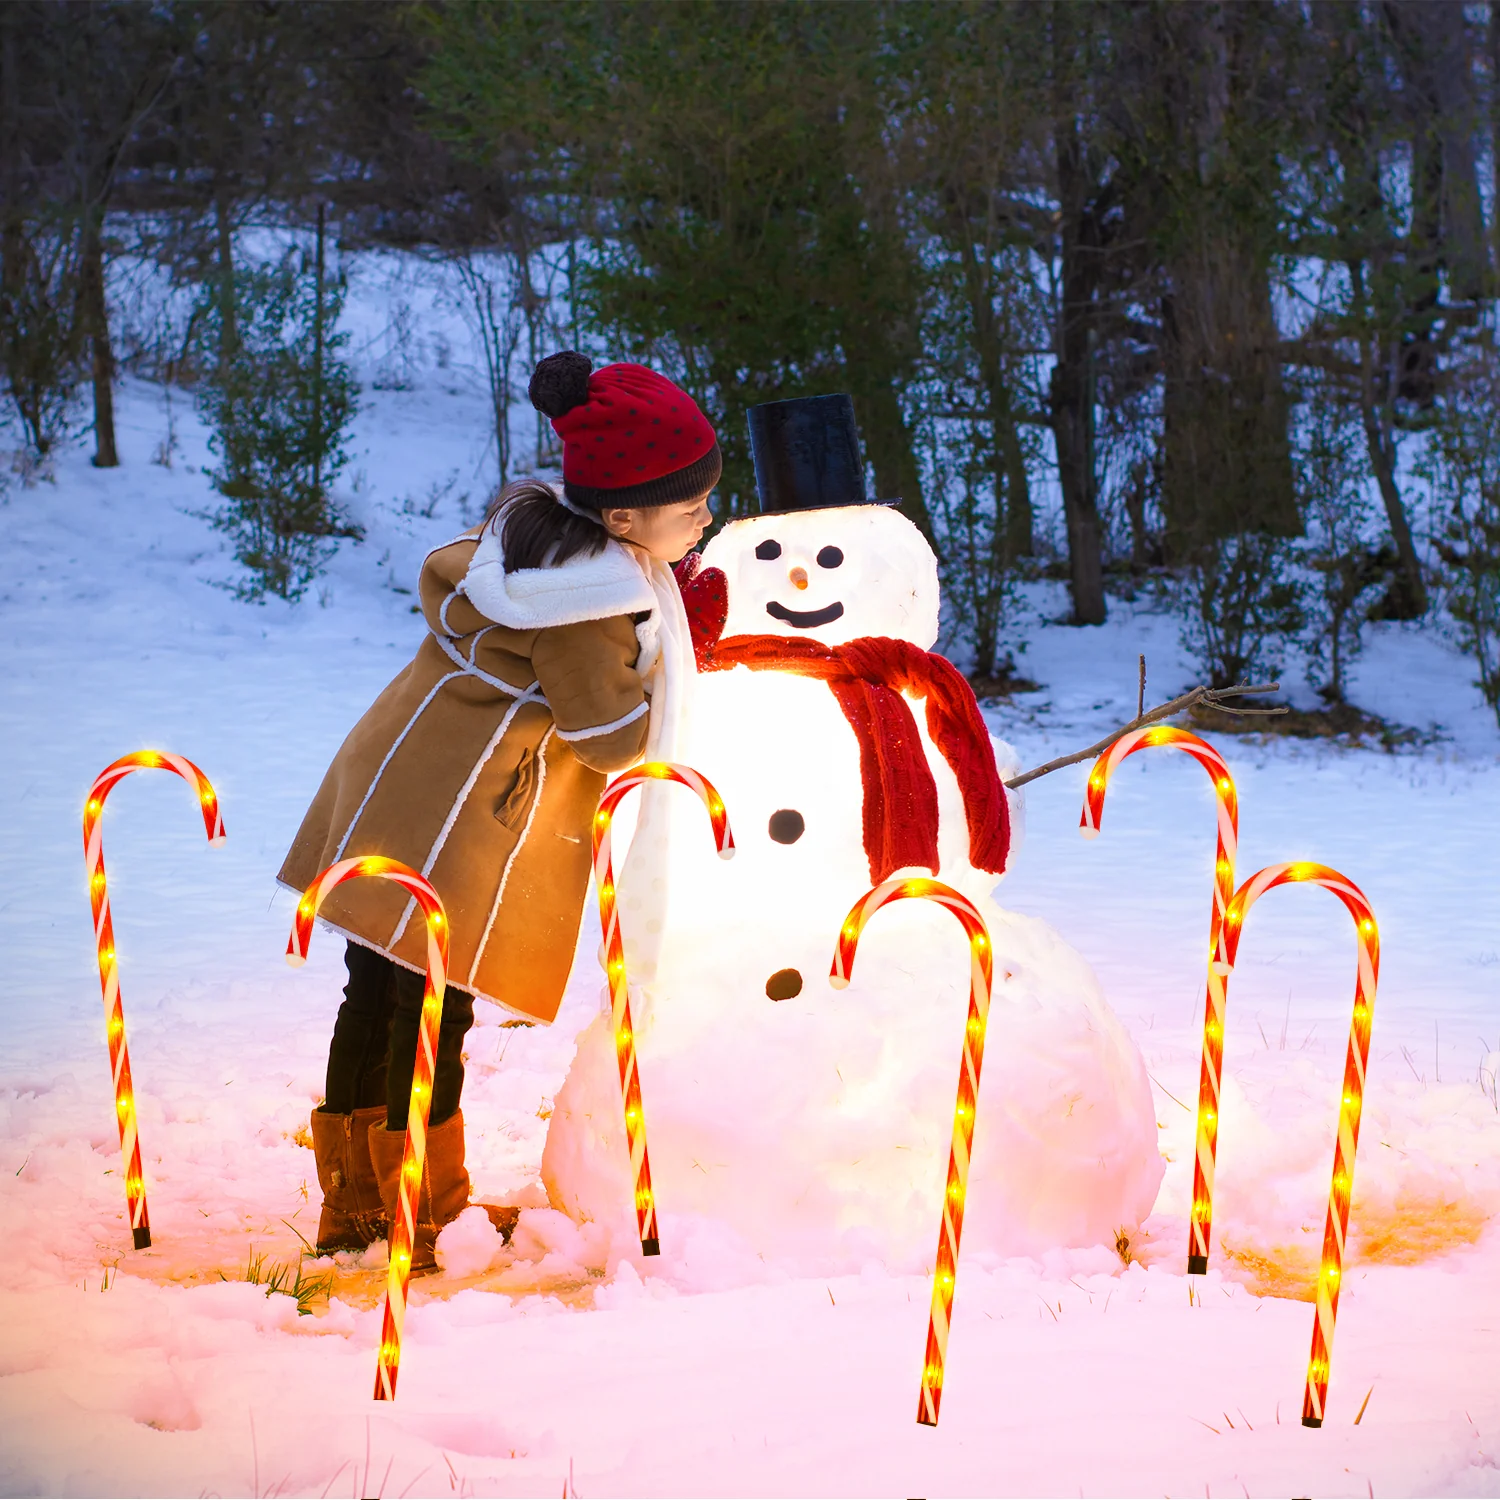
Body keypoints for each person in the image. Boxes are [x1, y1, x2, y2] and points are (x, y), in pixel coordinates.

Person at [278, 351, 716, 1269]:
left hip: (397, 779)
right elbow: (609, 736)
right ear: (627, 516)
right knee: (433, 1009)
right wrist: (684, 660)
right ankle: (419, 1214)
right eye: (693, 509)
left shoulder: (536, 542)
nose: (706, 521)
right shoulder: (589, 601)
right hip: (462, 815)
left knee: (379, 986)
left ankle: (357, 1204)